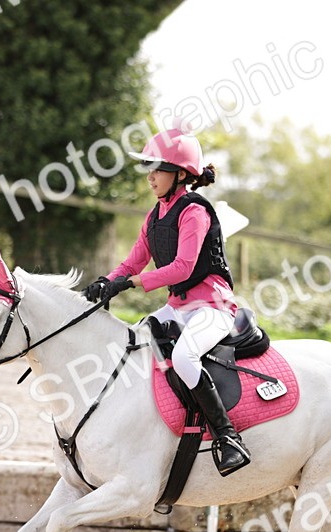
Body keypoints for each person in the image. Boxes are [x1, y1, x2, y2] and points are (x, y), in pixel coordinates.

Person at [83, 126, 250, 476]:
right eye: (149, 168)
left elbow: (182, 267)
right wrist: (107, 281)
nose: (151, 176)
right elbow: (134, 261)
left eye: (157, 168)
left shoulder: (195, 212)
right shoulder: (156, 214)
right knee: (132, 346)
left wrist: (131, 283)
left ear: (180, 173)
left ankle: (226, 437)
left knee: (185, 356)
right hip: (178, 308)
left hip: (212, 308)